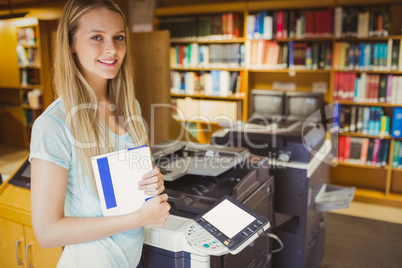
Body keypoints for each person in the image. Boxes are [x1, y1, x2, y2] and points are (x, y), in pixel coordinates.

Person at [29, 0, 170, 267]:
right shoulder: (53, 125)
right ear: (71, 43)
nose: (112, 49)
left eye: (119, 37)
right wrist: (140, 219)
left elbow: (130, 193)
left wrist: (152, 186)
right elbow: (47, 233)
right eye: (97, 37)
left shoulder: (130, 108)